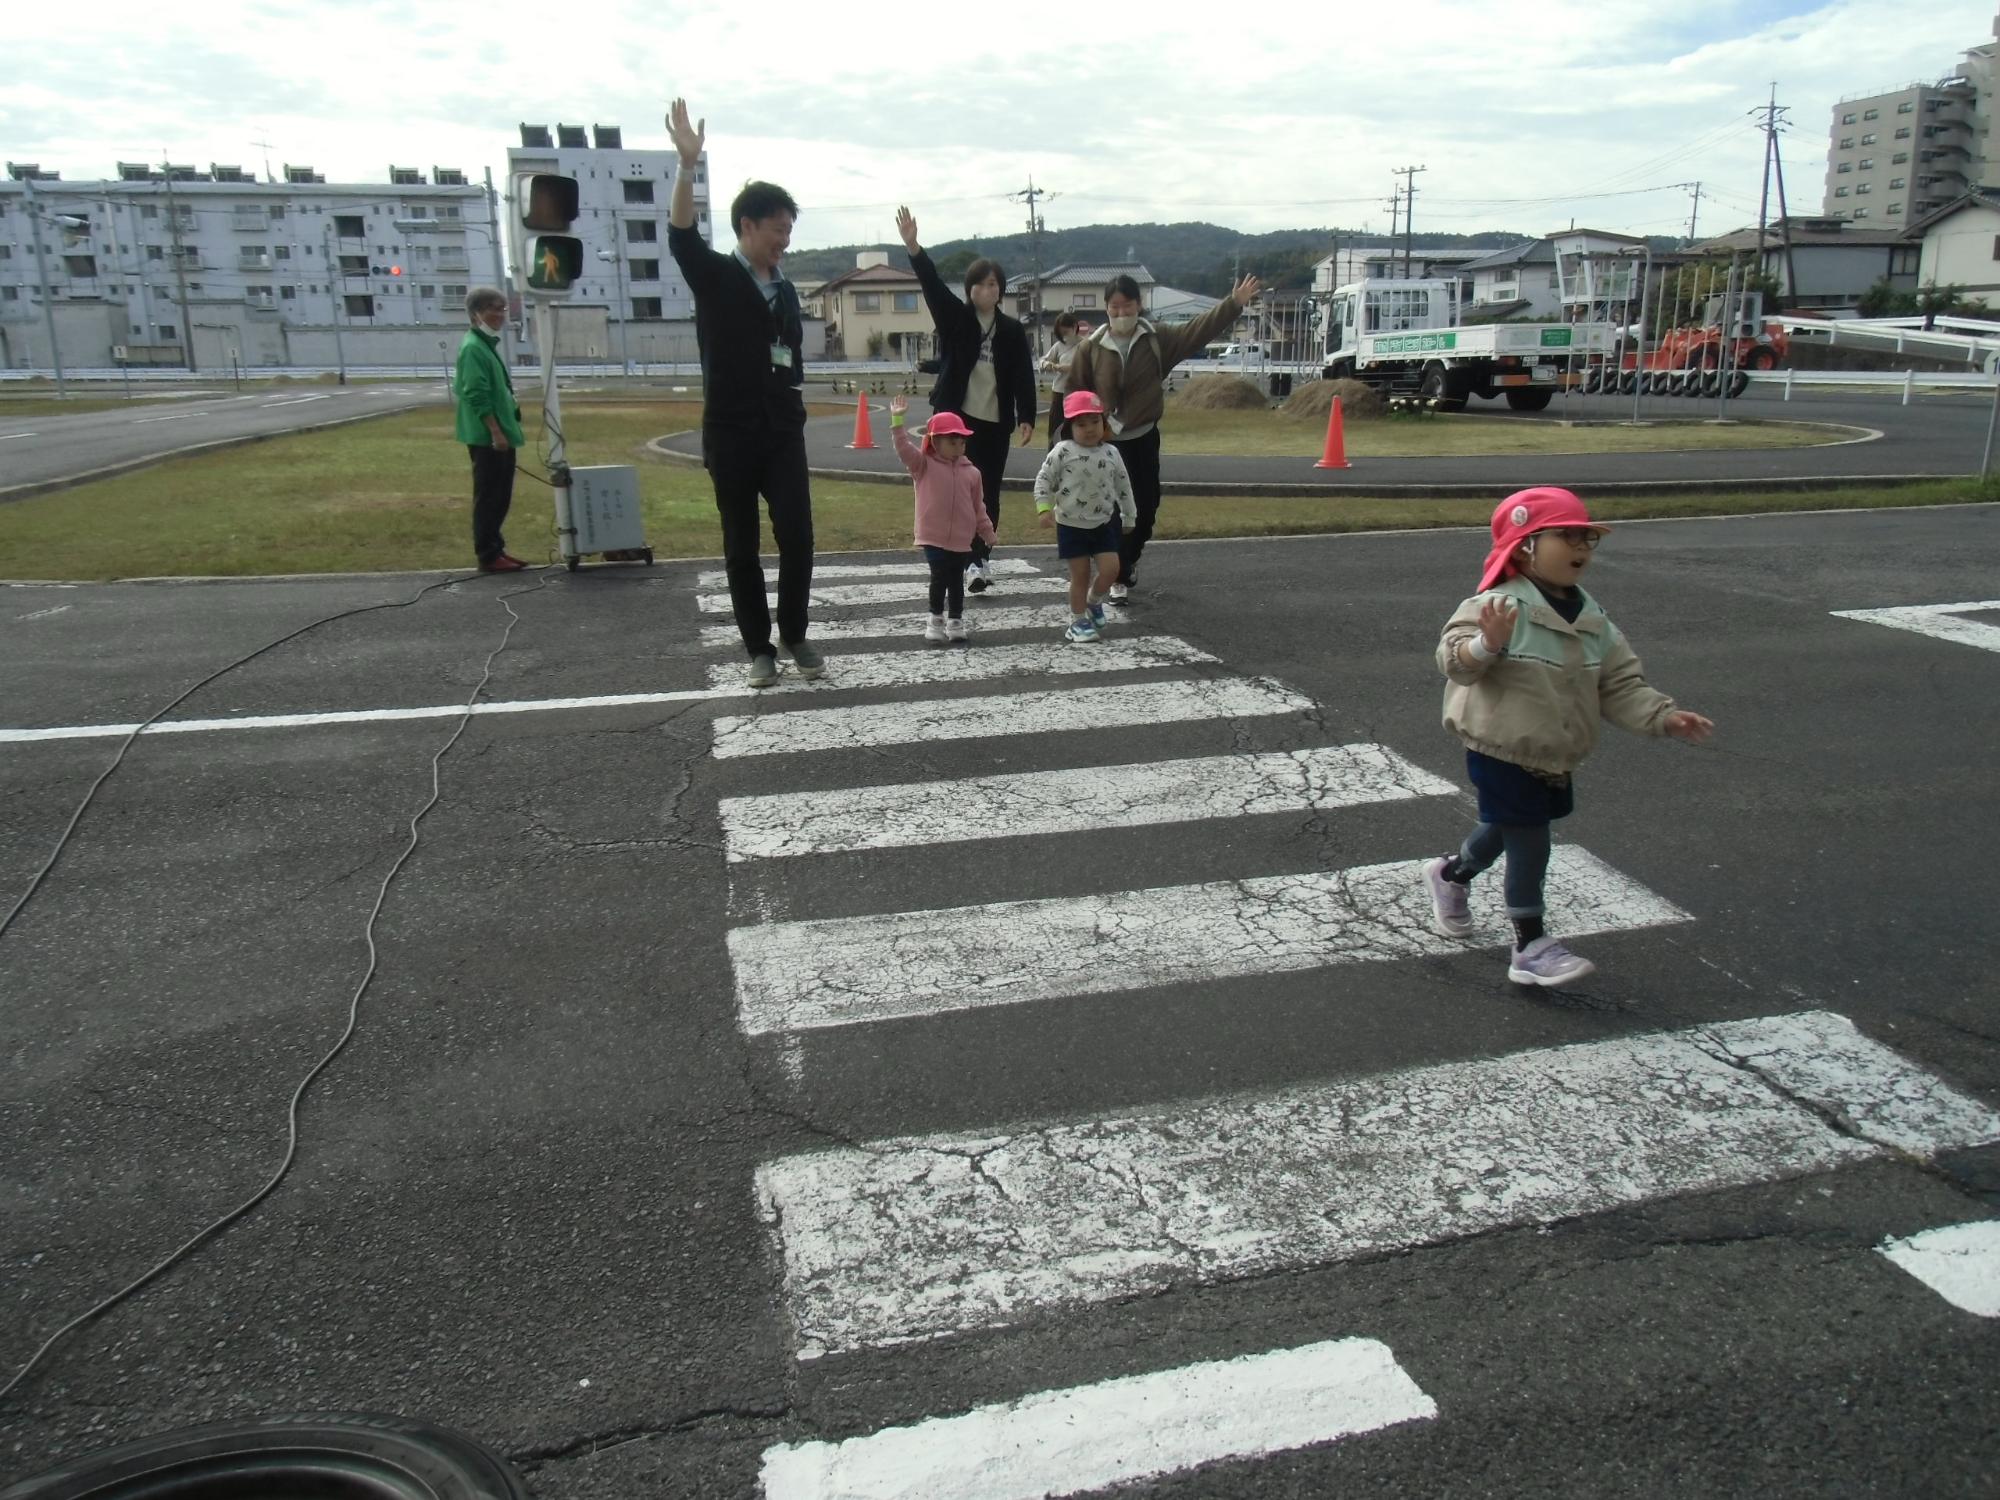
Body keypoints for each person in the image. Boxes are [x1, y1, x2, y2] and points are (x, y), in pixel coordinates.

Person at [1425, 487, 1715, 988]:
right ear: (1524, 547)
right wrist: (1486, 643)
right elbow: (1453, 662)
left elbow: (1619, 683)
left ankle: (1451, 876)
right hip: (1501, 746)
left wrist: (1663, 718)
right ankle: (1530, 945)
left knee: (1509, 826)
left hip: (1554, 750)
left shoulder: (1591, 618)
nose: (1581, 547)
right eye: (1566, 536)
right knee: (1530, 838)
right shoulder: (1496, 605)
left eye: (1587, 538)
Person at [665, 98, 822, 689]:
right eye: (778, 229)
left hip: (782, 431)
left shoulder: (785, 293)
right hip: (730, 433)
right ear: (748, 226)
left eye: (789, 230)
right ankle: (759, 648)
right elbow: (681, 236)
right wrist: (688, 166)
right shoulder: (715, 276)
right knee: (741, 545)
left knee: (798, 535)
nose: (785, 240)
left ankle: (796, 633)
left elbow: (791, 358)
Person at [1066, 270, 1261, 602]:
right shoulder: (1091, 347)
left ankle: (1125, 562)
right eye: (1114, 308)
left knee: (1146, 509)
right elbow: (1074, 395)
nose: (1120, 314)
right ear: (1105, 308)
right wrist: (1068, 441)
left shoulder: (1157, 339)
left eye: (1127, 307)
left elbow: (1197, 331)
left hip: (1142, 438)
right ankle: (1117, 572)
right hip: (1107, 443)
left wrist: (1233, 304)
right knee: (1111, 510)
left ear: (1139, 305)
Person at [894, 206, 1035, 594]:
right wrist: (914, 248)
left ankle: (980, 558)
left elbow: (1024, 373)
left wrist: (1026, 415)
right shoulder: (957, 320)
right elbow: (934, 288)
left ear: (1001, 290)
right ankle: (962, 560)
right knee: (950, 491)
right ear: (969, 289)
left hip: (994, 423)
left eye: (993, 285)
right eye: (979, 284)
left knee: (987, 492)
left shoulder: (1010, 331)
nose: (986, 291)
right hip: (955, 423)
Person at [889, 395, 994, 643]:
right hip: (932, 535)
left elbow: (979, 506)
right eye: (952, 441)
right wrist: (897, 420)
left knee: (956, 579)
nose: (959, 445)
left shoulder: (972, 473)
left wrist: (987, 531)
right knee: (939, 575)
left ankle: (955, 620)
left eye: (961, 441)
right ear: (934, 441)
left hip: (960, 537)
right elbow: (904, 449)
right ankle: (935, 618)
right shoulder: (922, 465)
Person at [1034, 391, 1136, 644]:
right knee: (1080, 576)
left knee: (1111, 570)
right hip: (1071, 525)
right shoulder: (1062, 450)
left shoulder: (1112, 452)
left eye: (1095, 422)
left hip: (1103, 523)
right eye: (1081, 424)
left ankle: (1094, 601)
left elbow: (1124, 485)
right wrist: (1044, 508)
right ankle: (1077, 621)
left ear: (1104, 423)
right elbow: (1043, 480)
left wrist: (1129, 514)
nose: (1089, 429)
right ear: (1070, 427)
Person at [454, 287, 527, 573]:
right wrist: (495, 432)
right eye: (492, 309)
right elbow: (475, 393)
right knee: (489, 496)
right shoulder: (473, 347)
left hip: (500, 434)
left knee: (500, 495)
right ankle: (488, 554)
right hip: (487, 438)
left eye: (502, 309)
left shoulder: (485, 345)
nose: (499, 315)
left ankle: (496, 549)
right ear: (476, 313)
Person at [1038, 310, 1088, 447]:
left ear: (1074, 327)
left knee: (1076, 431)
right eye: (1060, 334)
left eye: (1065, 332)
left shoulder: (1085, 345)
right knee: (1055, 430)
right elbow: (1043, 360)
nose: (1064, 336)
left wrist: (1064, 368)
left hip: (1078, 393)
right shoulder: (1058, 346)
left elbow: (1088, 368)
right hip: (1059, 393)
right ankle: (1052, 460)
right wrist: (1046, 364)